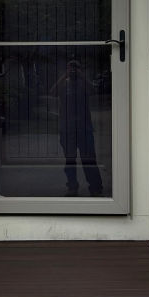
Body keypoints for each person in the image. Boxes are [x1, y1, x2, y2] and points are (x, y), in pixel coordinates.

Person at [52, 58, 103, 197]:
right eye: (70, 68)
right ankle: (72, 187)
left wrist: (83, 76)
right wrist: (64, 76)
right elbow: (53, 92)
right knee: (70, 159)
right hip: (67, 128)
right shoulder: (64, 84)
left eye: (76, 68)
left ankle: (96, 187)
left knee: (89, 159)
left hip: (84, 127)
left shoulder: (83, 84)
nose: (73, 71)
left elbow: (93, 91)